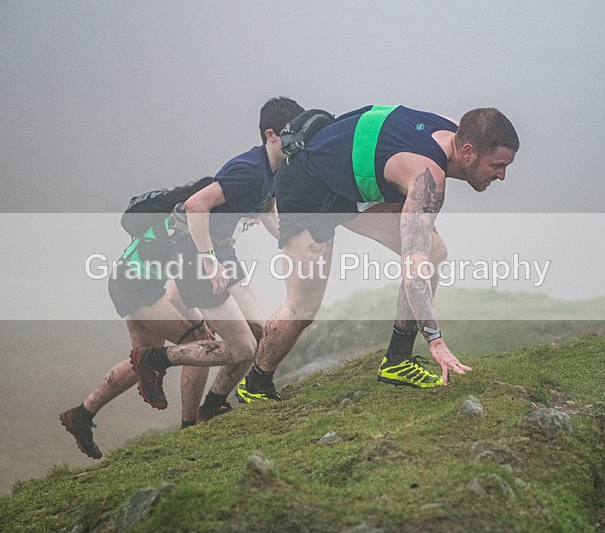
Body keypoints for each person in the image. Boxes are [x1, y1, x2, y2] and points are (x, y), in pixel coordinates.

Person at [235, 105, 519, 401]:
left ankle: (397, 361)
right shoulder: (428, 177)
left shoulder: (456, 130)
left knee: (433, 251)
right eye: (497, 165)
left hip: (349, 184)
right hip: (307, 187)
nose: (501, 176)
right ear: (469, 152)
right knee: (302, 307)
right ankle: (256, 384)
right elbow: (413, 269)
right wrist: (435, 341)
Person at [128, 97, 305, 410]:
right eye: (290, 133)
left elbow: (266, 209)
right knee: (245, 348)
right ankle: (153, 359)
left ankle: (213, 403)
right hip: (197, 257)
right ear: (270, 135)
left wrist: (291, 242)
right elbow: (196, 205)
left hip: (223, 254)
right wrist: (209, 261)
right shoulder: (249, 169)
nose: (297, 141)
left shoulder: (274, 171)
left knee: (258, 332)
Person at [59, 201, 215, 459]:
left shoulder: (178, 214)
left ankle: (81, 414)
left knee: (144, 357)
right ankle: (190, 425)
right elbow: (182, 287)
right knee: (197, 345)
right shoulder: (195, 223)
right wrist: (199, 323)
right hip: (137, 286)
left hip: (127, 279)